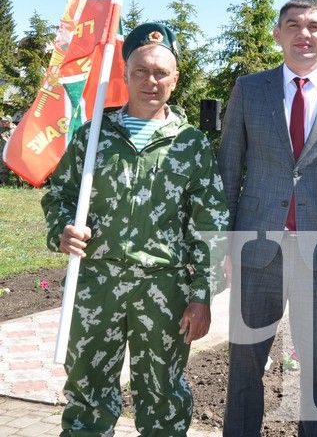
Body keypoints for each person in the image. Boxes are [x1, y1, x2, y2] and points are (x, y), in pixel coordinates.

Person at [41, 22, 229, 436]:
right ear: (125, 75)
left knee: (163, 397)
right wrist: (63, 230)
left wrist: (202, 297)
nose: (151, 80)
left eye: (161, 72)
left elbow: (211, 228)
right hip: (97, 284)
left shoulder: (191, 144)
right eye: (141, 70)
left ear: (175, 79)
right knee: (87, 392)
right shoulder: (93, 136)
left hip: (164, 291)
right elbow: (59, 197)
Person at [220, 0, 317, 437]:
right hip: (256, 250)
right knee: (246, 364)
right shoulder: (249, 90)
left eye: (313, 26)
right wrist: (223, 247)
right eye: (292, 25)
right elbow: (229, 170)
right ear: (277, 34)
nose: (303, 33)